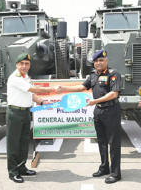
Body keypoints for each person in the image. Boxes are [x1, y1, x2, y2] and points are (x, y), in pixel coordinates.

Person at [59, 49, 122, 184]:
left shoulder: (113, 74)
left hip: (111, 110)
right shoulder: (93, 75)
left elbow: (114, 94)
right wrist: (63, 88)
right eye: (96, 61)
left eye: (101, 60)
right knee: (101, 141)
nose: (98, 63)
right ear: (93, 63)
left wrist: (95, 101)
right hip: (98, 112)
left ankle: (116, 173)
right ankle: (104, 167)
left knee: (114, 143)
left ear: (106, 61)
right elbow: (81, 88)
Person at [6, 53, 60, 183]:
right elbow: (33, 88)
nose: (24, 66)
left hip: (25, 112)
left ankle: (22, 167)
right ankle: (13, 172)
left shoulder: (26, 77)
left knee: (23, 142)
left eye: (27, 64)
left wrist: (41, 102)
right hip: (15, 113)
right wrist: (53, 89)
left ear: (29, 65)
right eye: (22, 64)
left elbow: (31, 93)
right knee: (14, 144)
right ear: (17, 65)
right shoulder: (15, 77)